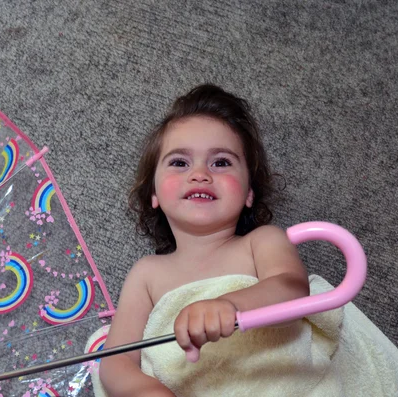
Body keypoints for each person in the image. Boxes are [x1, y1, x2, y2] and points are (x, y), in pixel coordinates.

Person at [98, 84, 310, 396]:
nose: (200, 174)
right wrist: (146, 390)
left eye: (221, 162)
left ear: (249, 192)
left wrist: (230, 306)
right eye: (179, 163)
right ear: (154, 193)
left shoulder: (261, 242)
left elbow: (293, 291)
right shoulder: (147, 273)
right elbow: (116, 361)